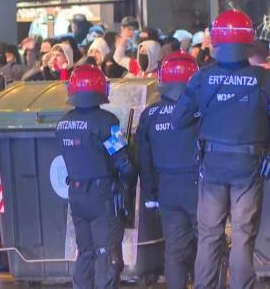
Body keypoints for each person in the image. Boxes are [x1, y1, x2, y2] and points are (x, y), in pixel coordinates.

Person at [171, 9, 269, 289]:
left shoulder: (201, 78)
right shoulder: (263, 80)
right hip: (248, 168)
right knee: (242, 236)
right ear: (249, 42)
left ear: (215, 41)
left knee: (210, 235)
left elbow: (179, 120)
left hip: (212, 166)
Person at [56, 64, 135, 288]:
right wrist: (129, 184)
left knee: (85, 253)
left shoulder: (63, 124)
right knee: (106, 254)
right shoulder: (106, 122)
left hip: (76, 195)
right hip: (102, 198)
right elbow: (124, 163)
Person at [137, 52, 200, 289]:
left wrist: (151, 194)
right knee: (209, 244)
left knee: (174, 250)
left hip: (166, 190)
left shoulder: (149, 115)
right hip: (199, 187)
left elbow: (144, 160)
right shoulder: (200, 112)